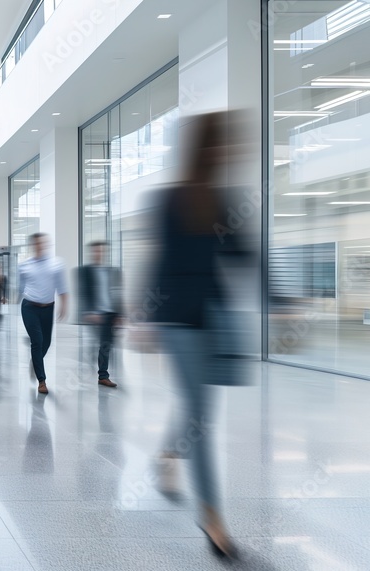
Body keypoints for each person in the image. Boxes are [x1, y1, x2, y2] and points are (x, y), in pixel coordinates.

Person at [151, 112, 246, 559]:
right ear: (205, 150)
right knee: (202, 419)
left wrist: (283, 299)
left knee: (198, 407)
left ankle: (169, 451)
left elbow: (248, 254)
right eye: (222, 145)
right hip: (177, 320)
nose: (230, 153)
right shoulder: (170, 201)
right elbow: (162, 260)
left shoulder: (227, 200)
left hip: (216, 318)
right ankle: (212, 517)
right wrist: (144, 314)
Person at [18, 233, 68, 395]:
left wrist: (64, 305)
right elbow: (20, 287)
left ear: (46, 245)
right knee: (37, 341)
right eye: (37, 244)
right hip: (29, 307)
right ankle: (42, 381)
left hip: (48, 308)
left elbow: (62, 287)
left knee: (46, 343)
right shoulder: (25, 265)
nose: (40, 246)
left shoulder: (56, 264)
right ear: (33, 246)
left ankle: (35, 362)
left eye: (43, 243)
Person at [78, 241, 122, 387]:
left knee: (107, 344)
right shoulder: (85, 271)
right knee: (104, 343)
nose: (99, 254)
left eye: (102, 251)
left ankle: (102, 371)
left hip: (111, 313)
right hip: (97, 314)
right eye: (96, 251)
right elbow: (83, 292)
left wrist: (120, 314)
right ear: (92, 253)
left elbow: (118, 293)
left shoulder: (112, 271)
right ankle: (103, 375)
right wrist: (88, 311)